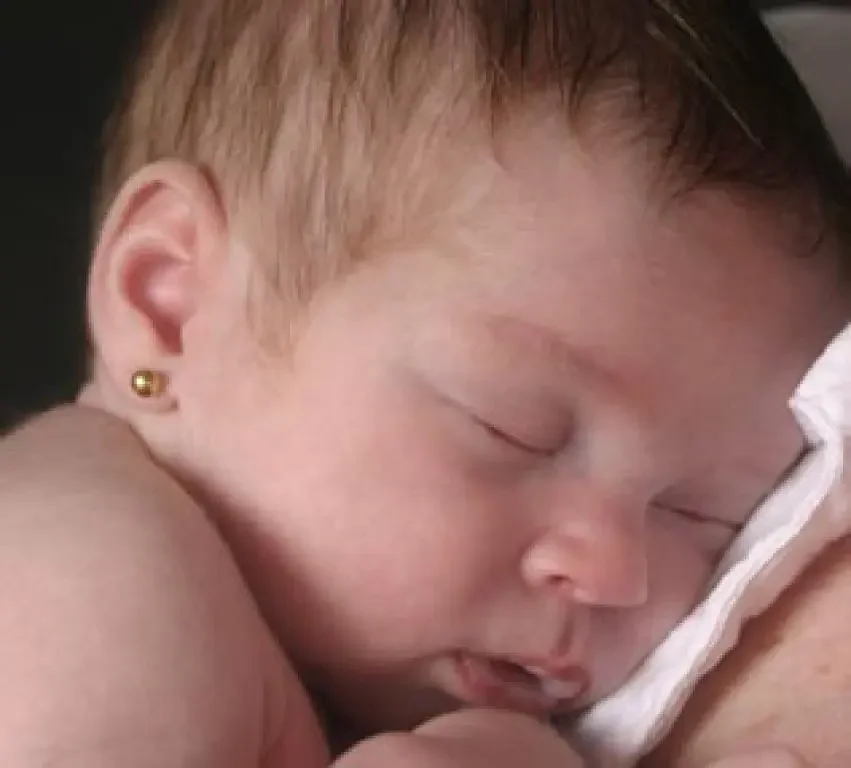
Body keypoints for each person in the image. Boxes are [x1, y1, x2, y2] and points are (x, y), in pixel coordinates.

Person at [1, 1, 849, 766]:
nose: (613, 573)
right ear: (170, 303)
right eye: (511, 429)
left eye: (708, 515)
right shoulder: (89, 581)